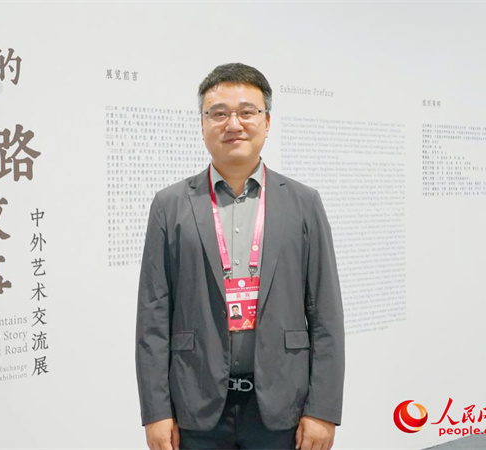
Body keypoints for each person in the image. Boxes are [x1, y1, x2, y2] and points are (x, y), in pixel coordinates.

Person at [135, 63, 344, 450]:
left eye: (247, 111)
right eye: (218, 113)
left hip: (283, 404)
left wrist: (323, 410)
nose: (233, 124)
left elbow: (325, 313)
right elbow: (153, 318)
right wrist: (156, 411)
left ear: (267, 122)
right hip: (195, 404)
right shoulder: (170, 205)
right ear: (202, 125)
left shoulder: (303, 203)